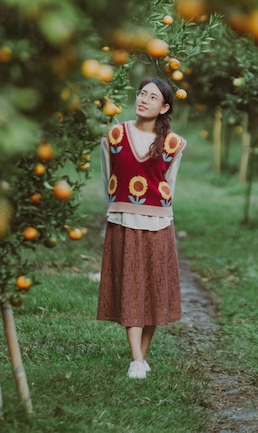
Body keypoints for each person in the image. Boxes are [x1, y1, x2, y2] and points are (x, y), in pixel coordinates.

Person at [97, 77, 186, 379]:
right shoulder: (114, 135)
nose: (143, 99)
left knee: (154, 289)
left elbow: (169, 185)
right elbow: (107, 176)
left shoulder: (173, 143)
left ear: (164, 107)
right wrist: (118, 205)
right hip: (123, 219)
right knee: (131, 286)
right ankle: (136, 358)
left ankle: (141, 357)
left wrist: (160, 211)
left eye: (152, 97)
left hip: (159, 223)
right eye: (141, 94)